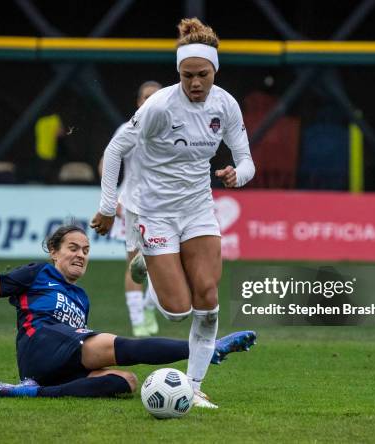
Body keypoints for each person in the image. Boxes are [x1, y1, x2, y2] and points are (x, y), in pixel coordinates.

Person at [0, 223, 256, 399]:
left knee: (126, 381)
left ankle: (33, 393)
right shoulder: (36, 273)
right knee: (113, 344)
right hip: (39, 344)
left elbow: (86, 347)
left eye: (86, 250)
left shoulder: (81, 298)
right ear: (54, 252)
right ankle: (207, 348)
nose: (80, 254)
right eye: (73, 247)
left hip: (61, 358)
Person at [91, 18, 255, 408]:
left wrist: (238, 175)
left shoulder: (225, 104)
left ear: (215, 71)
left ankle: (194, 386)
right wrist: (106, 208)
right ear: (178, 73)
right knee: (178, 312)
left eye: (202, 74)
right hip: (156, 212)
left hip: (198, 208)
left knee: (209, 298)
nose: (195, 83)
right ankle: (150, 262)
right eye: (187, 75)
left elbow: (247, 160)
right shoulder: (160, 107)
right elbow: (116, 149)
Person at [97, 80, 162, 338]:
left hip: (162, 207)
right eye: (146, 96)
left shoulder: (172, 128)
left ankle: (148, 308)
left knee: (160, 265)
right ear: (138, 102)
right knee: (135, 265)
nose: (150, 101)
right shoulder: (127, 129)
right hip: (131, 205)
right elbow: (107, 161)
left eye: (156, 97)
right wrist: (112, 199)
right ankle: (137, 320)